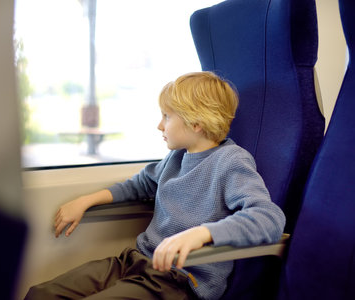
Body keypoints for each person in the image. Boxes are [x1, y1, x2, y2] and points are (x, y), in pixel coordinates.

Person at [25, 71, 286, 300]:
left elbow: (269, 218)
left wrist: (201, 234)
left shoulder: (230, 162)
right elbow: (137, 185)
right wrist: (85, 200)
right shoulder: (176, 157)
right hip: (135, 262)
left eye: (167, 116)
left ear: (196, 123)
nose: (159, 125)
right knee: (41, 294)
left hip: (179, 281)